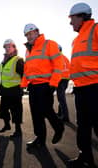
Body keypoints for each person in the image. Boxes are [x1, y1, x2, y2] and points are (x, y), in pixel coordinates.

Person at [21, 23, 64, 148]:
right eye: (26, 35)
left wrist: (54, 83)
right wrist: (23, 84)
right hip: (33, 86)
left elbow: (58, 64)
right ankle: (40, 139)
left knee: (46, 110)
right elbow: (26, 69)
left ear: (37, 32)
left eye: (30, 33)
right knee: (35, 114)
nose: (28, 37)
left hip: (46, 85)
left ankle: (59, 127)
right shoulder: (28, 50)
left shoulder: (49, 44)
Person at [68, 2, 98, 168]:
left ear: (81, 16)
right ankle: (85, 157)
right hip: (81, 89)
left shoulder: (96, 29)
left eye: (72, 18)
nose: (70, 22)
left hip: (95, 88)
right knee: (83, 127)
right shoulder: (77, 39)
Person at [0, 39, 24, 138]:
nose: (7, 48)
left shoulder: (18, 59)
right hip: (5, 90)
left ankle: (18, 132)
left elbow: (23, 74)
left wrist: (23, 87)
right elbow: (3, 76)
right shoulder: (3, 61)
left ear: (14, 47)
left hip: (15, 91)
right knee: (2, 111)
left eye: (9, 46)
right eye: (6, 47)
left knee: (16, 112)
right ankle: (7, 125)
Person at [56, 45, 70, 122]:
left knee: (61, 98)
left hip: (60, 79)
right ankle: (60, 113)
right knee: (61, 97)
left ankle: (65, 116)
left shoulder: (57, 58)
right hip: (66, 79)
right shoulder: (66, 58)